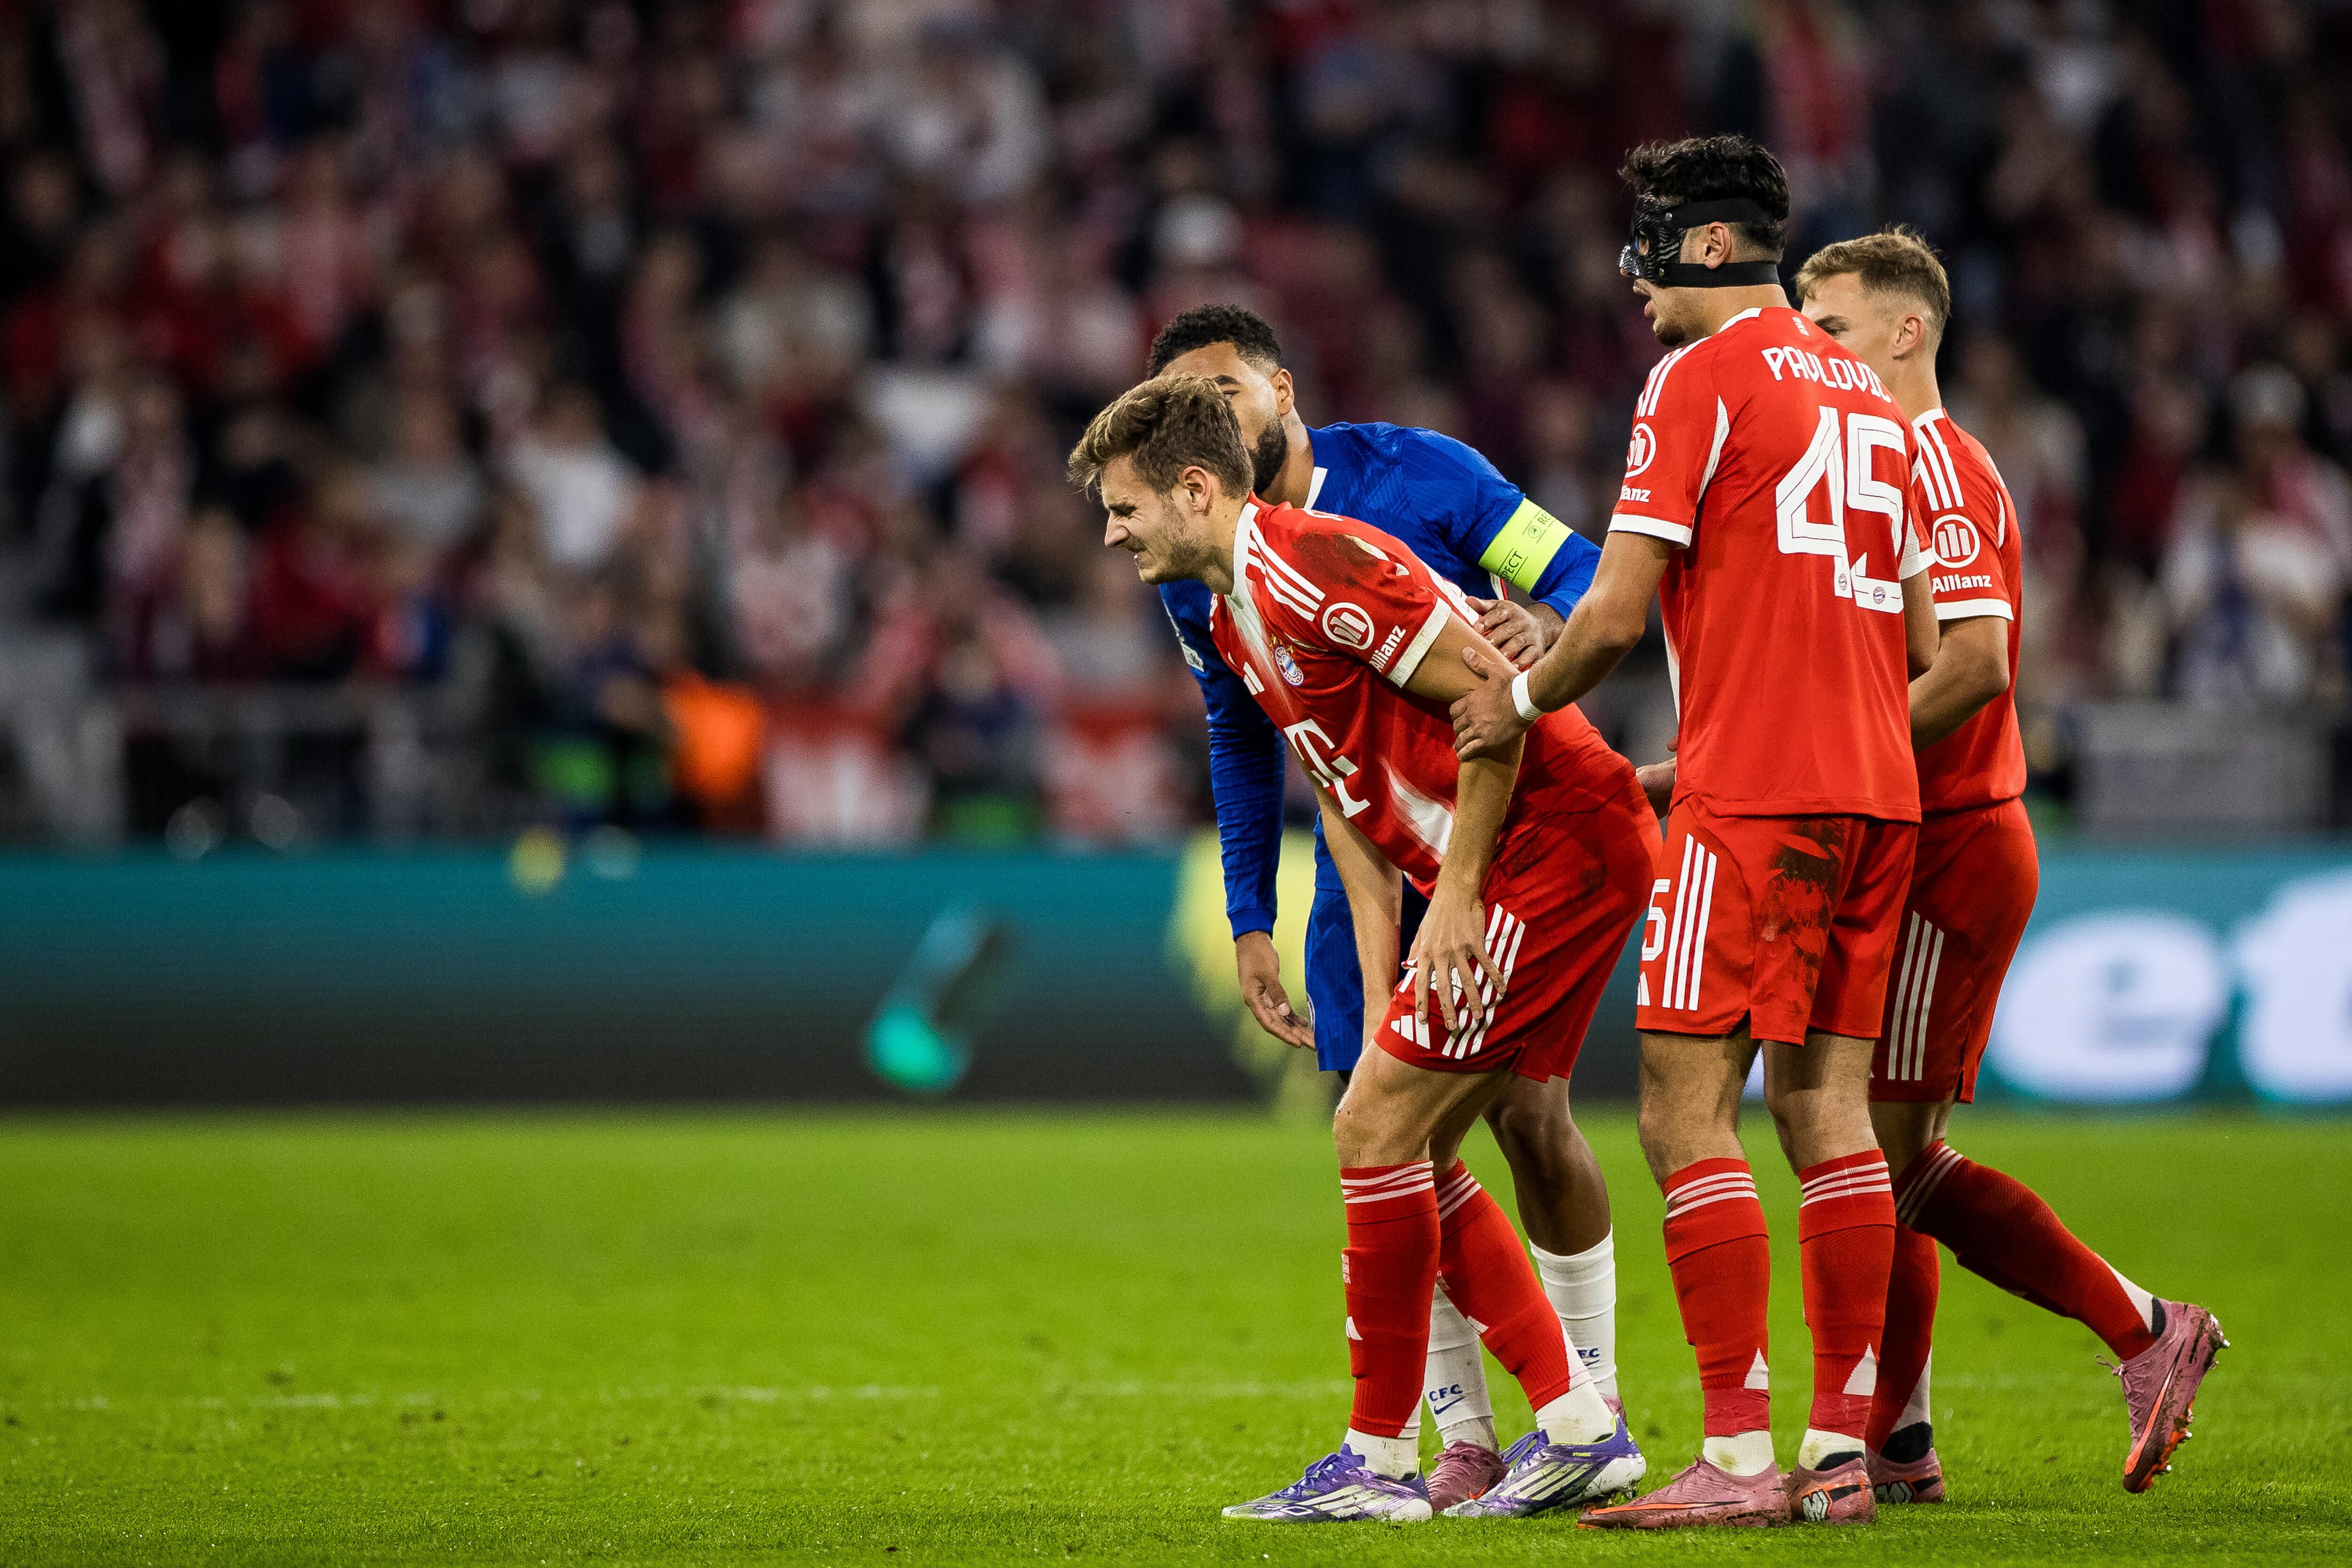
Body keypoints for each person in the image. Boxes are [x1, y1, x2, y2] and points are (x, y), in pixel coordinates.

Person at [1451, 135, 1939, 1529]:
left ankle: (1733, 1456)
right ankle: (1840, 1445)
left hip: (1758, 793)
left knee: (1683, 1108)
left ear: (1710, 249)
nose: (1637, 286)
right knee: (1830, 1109)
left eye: (1650, 250)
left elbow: (1612, 611)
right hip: (1878, 789)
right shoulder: (1875, 398)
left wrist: (1517, 698)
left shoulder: (1697, 378)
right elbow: (1913, 635)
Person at [1070, 374, 1655, 1522]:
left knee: (1382, 1128)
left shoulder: (1311, 565)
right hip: (1516, 857)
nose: (1111, 528)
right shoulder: (1233, 607)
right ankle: (1572, 1424)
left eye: (1126, 504)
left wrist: (1462, 892)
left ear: (1196, 488)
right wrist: (1386, 971)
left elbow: (1493, 696)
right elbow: (1344, 792)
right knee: (1398, 1137)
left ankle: (1389, 1459)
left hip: (1554, 851)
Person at [1791, 228, 2225, 1501]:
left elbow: (1979, 664)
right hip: (1910, 837)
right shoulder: (1884, 460)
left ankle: (2145, 1326)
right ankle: (1901, 1440)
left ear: (1907, 330)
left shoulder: (1935, 463)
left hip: (1953, 840)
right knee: (1873, 1149)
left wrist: (1828, 751)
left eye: (1831, 326)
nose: (1812, 349)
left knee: (1884, 1155)